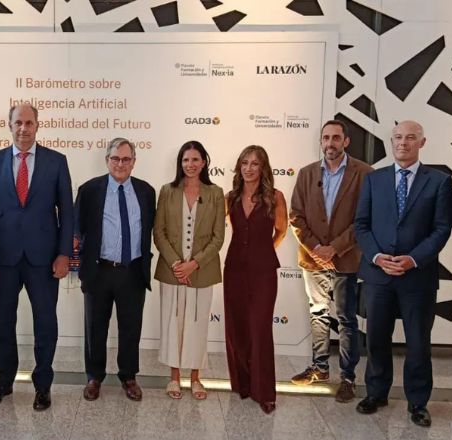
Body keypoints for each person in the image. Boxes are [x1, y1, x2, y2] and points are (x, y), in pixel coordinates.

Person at [0, 103, 74, 411]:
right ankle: (3, 382)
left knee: (45, 322)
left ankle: (43, 386)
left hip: (44, 258)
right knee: (3, 322)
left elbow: (67, 212)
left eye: (29, 123)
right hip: (3, 258)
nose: (23, 128)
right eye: (18, 122)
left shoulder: (56, 162)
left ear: (37, 126)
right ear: (9, 125)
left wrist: (64, 254)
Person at [354, 120, 452, 427]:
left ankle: (418, 402)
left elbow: (441, 229)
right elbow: (361, 225)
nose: (403, 143)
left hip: (418, 277)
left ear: (422, 143)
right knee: (376, 338)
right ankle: (376, 393)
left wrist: (413, 259)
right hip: (378, 274)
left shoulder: (439, 181)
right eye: (397, 137)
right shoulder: (374, 179)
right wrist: (377, 257)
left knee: (418, 342)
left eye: (410, 138)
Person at [289, 120, 372, 402]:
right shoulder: (306, 173)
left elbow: (364, 219)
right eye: (326, 138)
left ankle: (348, 377)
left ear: (346, 141)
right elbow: (296, 216)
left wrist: (334, 248)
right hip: (312, 258)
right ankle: (320, 368)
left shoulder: (364, 174)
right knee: (318, 314)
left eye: (336, 138)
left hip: (345, 259)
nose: (330, 143)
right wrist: (316, 248)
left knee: (347, 319)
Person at [75, 138, 156, 402]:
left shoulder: (146, 191)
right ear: (107, 160)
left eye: (126, 159)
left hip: (132, 270)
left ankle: (128, 376)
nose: (120, 164)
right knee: (95, 327)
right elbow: (77, 229)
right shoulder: (89, 190)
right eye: (115, 159)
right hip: (99, 270)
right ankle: (94, 376)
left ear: (134, 162)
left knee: (131, 327)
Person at [154, 141, 225, 400]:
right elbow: (159, 232)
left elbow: (218, 237)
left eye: (195, 159)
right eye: (185, 160)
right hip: (171, 270)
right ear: (180, 163)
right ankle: (174, 377)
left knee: (197, 324)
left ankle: (195, 378)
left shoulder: (215, 193)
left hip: (202, 271)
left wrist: (193, 264)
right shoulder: (167, 191)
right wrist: (177, 264)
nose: (190, 164)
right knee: (173, 323)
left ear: (204, 162)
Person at [224, 145, 288, 414]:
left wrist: (263, 250)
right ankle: (243, 384)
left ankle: (264, 392)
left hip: (263, 271)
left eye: (255, 163)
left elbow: (282, 231)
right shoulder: (230, 197)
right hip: (234, 269)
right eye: (245, 163)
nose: (249, 168)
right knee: (237, 328)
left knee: (260, 329)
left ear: (264, 168)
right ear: (239, 167)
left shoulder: (275, 197)